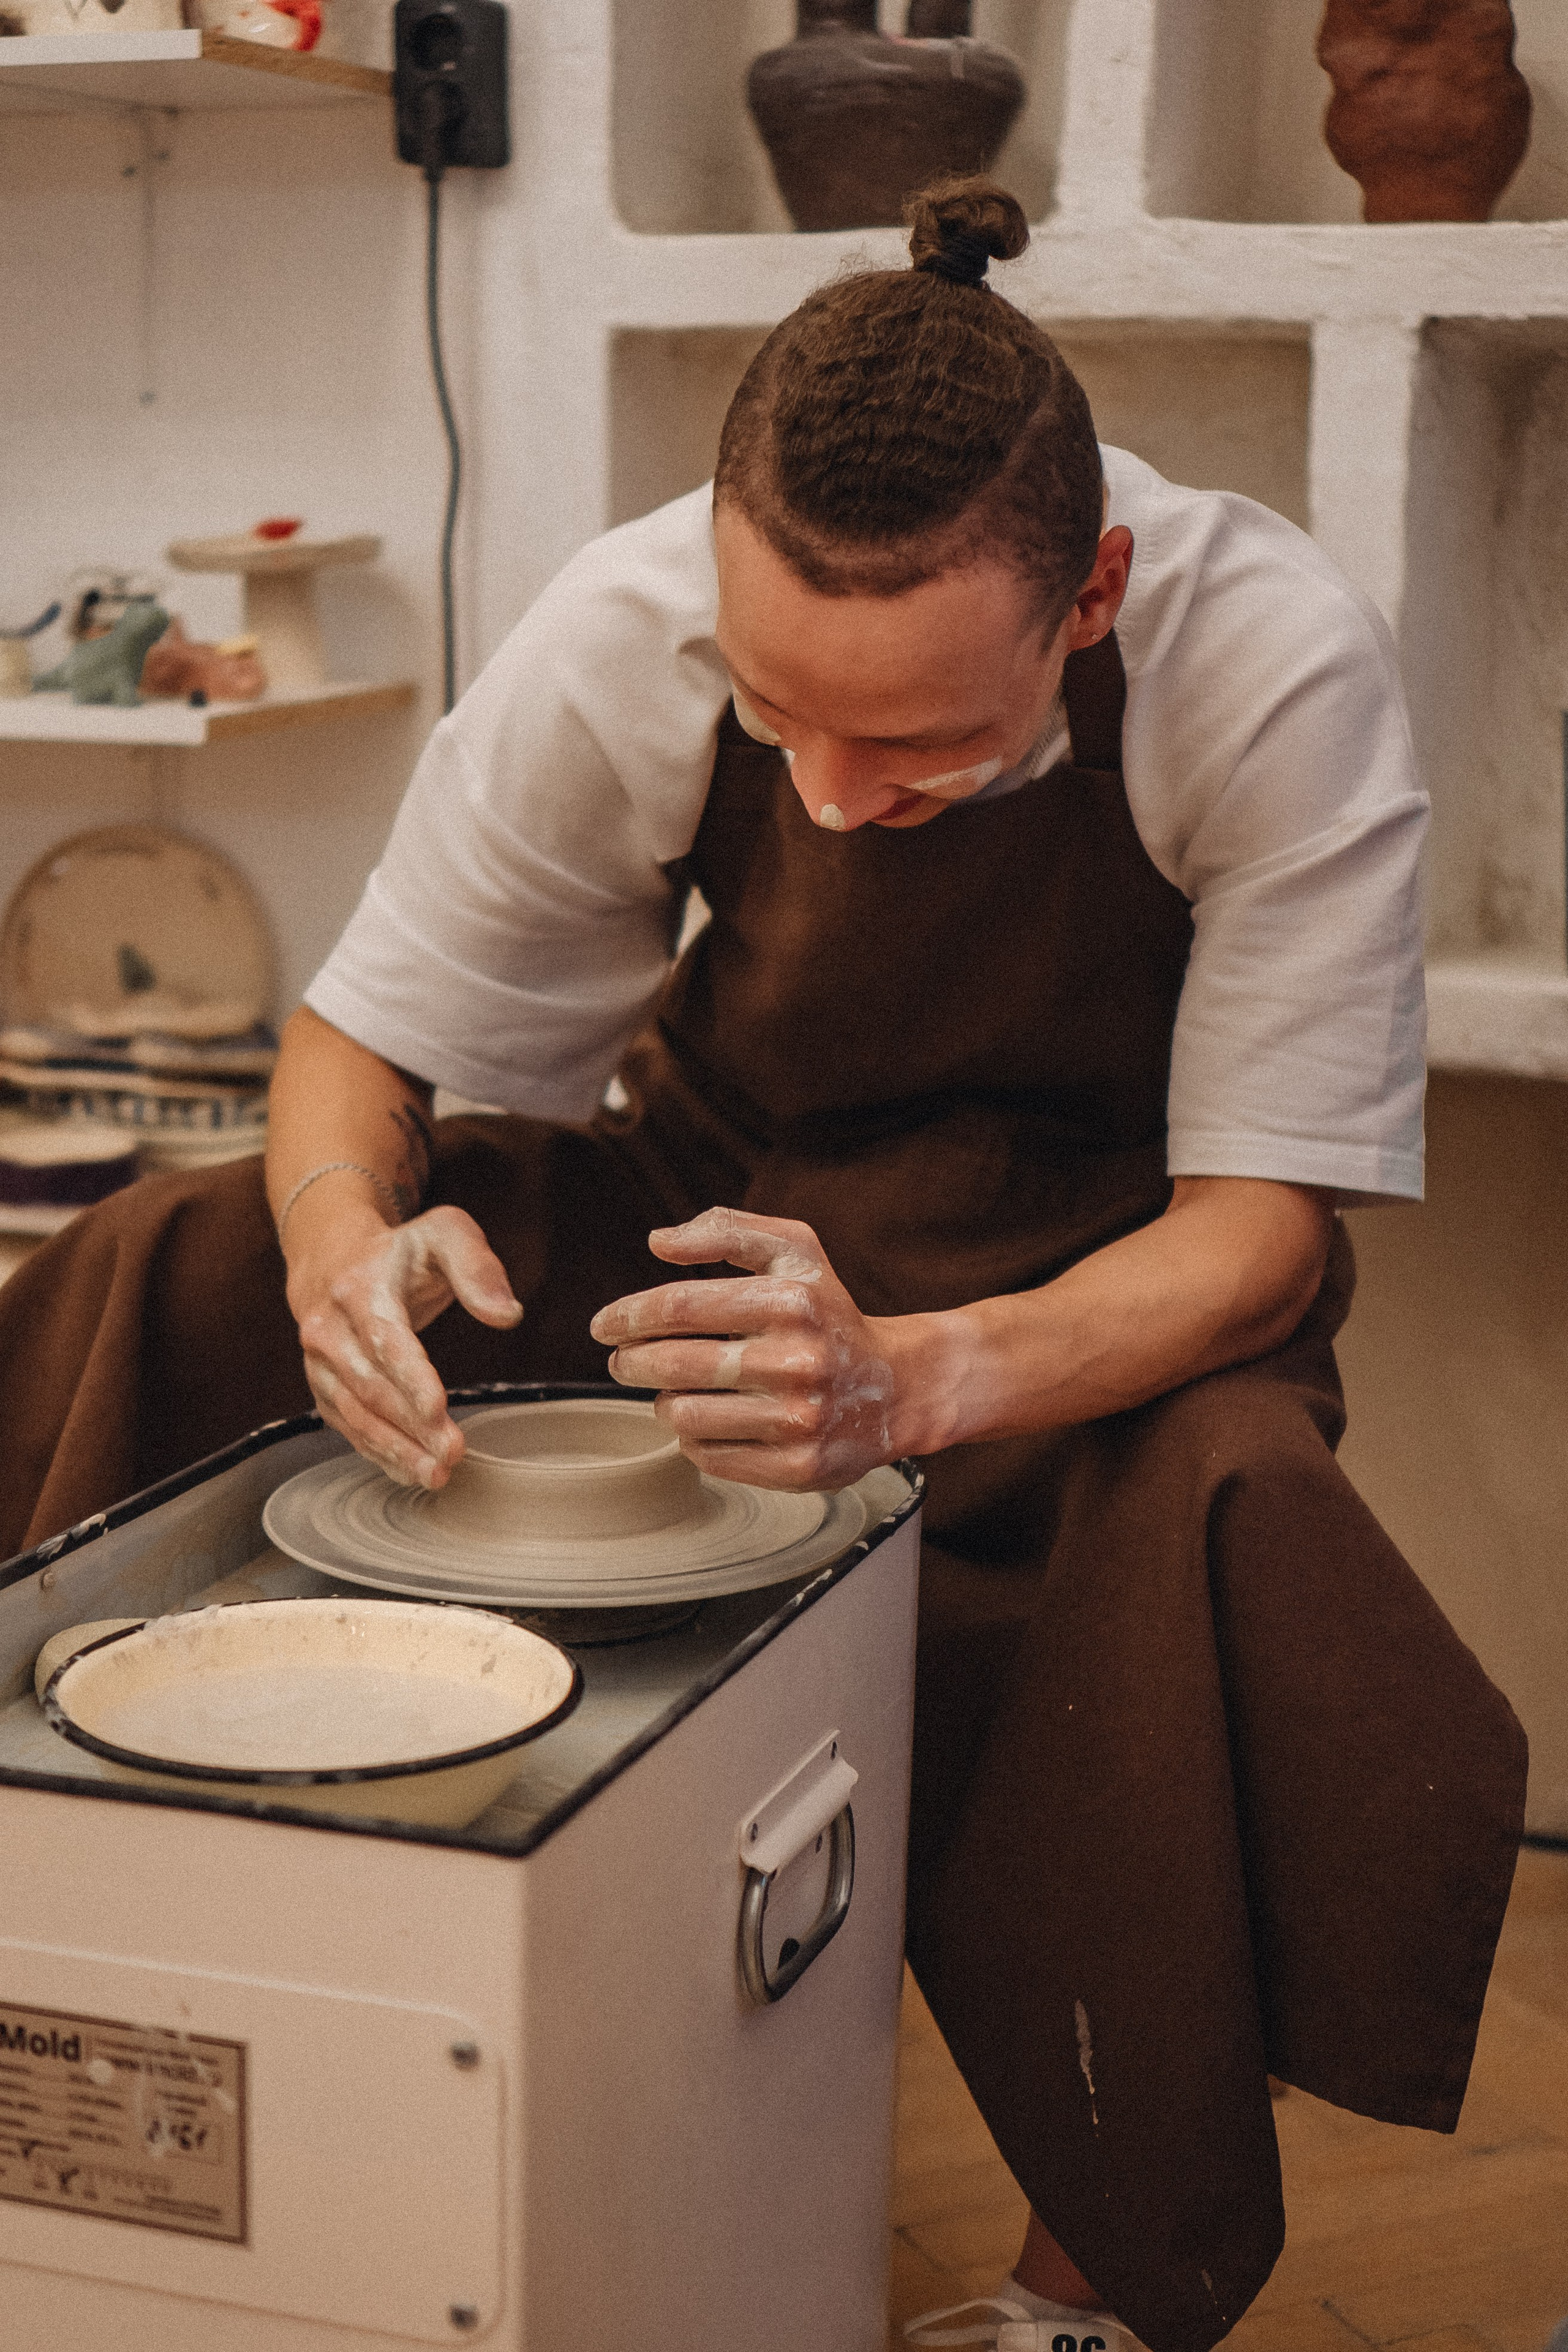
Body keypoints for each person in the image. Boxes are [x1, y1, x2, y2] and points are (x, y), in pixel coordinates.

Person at [0, 180, 1526, 2352]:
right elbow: (364, 1044)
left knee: (1225, 1509)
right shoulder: (631, 625)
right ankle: (79, 1924)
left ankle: (1083, 2289)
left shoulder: (1263, 659)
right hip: (721, 1212)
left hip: (1088, 1297)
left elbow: (1266, 1238)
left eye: (913, 746)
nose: (821, 790)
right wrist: (347, 1238)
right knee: (178, 1257)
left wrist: (907, 1384)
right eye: (778, 711)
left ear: (1087, 596)